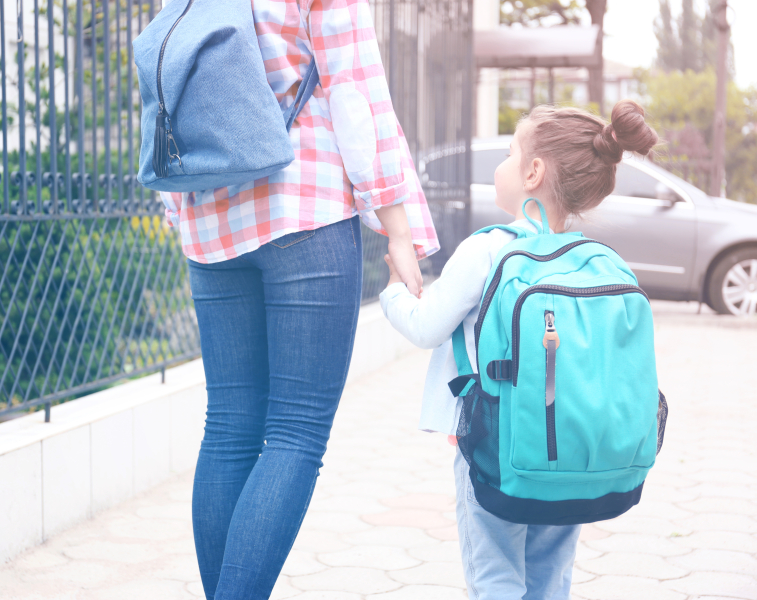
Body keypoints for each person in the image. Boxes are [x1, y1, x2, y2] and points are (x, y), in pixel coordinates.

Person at [158, 1, 438, 598]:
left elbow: (169, 78)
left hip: (209, 214)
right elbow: (355, 91)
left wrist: (178, 208)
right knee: (295, 432)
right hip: (303, 205)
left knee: (229, 427)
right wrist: (399, 229)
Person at [379, 100, 659, 599]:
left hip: (496, 450)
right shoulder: (591, 262)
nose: (500, 165)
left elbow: (425, 327)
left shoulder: (488, 249)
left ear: (533, 172)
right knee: (550, 576)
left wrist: (394, 291)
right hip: (572, 451)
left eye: (509, 153)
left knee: (495, 573)